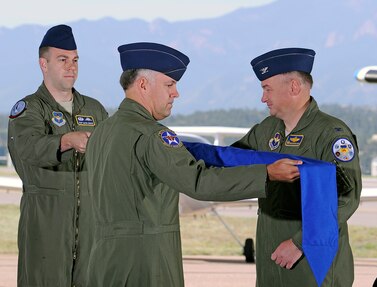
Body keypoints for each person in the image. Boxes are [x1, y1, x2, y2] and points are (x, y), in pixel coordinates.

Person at [84, 42, 303, 287]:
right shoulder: (152, 136)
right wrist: (266, 174)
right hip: (146, 263)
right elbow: (199, 182)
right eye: (170, 84)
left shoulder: (101, 132)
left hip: (102, 260)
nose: (175, 93)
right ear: (143, 84)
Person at [231, 48, 362, 286]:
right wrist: (176, 151)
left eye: (267, 88)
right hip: (271, 257)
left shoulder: (331, 134)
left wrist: (300, 242)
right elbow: (231, 161)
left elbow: (345, 199)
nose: (263, 98)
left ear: (293, 87)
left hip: (311, 260)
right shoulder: (267, 130)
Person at [7, 24, 108, 287]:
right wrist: (65, 141)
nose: (71, 66)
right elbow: (27, 148)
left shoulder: (95, 109)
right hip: (45, 221)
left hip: (91, 225)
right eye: (62, 60)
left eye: (75, 60)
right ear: (44, 63)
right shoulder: (29, 109)